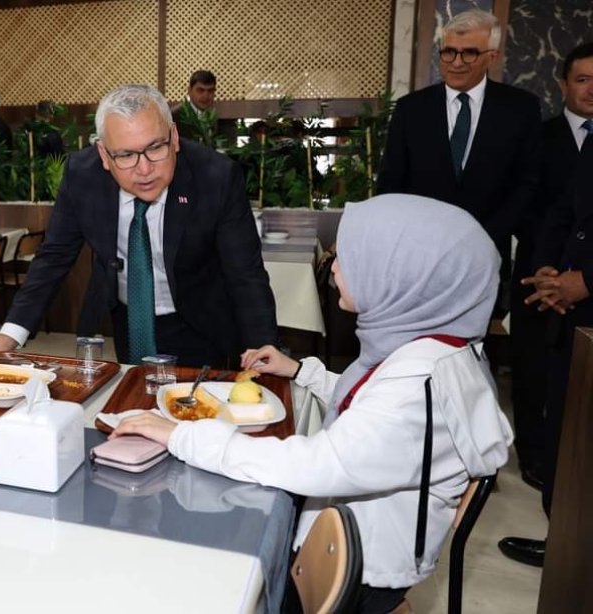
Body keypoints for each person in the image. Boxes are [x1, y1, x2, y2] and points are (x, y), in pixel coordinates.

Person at [113, 195, 513, 611]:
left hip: (357, 572)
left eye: (349, 256)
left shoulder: (418, 388)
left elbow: (319, 464)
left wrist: (183, 435)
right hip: (364, 542)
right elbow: (377, 400)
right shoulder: (439, 349)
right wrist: (303, 372)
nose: (334, 267)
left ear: (401, 275)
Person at [0, 84, 277, 367]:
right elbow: (54, 256)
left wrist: (264, 350)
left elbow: (245, 274)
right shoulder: (82, 176)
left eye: (156, 148)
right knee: (135, 408)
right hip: (131, 320)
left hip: (203, 322)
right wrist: (10, 334)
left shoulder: (217, 177)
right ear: (103, 154)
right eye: (126, 155)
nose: (144, 169)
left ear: (175, 137)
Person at [378, 9, 540, 300]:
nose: (456, 62)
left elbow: (527, 184)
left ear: (491, 56)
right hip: (419, 259)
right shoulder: (411, 109)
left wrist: (482, 237)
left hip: (487, 254)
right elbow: (391, 184)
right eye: (449, 52)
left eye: (469, 54)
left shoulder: (521, 109)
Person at [499, 84, 593, 568]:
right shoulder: (558, 139)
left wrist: (588, 280)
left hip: (585, 299)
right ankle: (564, 542)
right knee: (565, 421)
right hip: (563, 302)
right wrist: (548, 270)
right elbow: (563, 213)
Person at [171, 70, 234, 144]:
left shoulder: (212, 117)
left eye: (210, 91)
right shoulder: (175, 116)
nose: (205, 96)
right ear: (189, 91)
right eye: (200, 90)